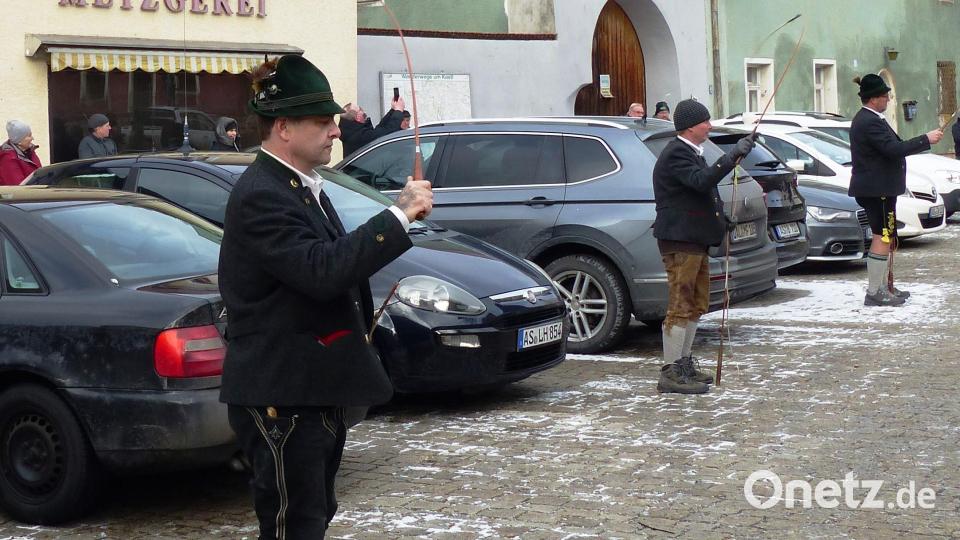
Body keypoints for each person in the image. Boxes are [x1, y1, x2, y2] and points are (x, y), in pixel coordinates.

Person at [218, 54, 433, 539]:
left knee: (313, 515)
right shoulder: (261, 193)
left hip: (311, 390)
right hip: (281, 394)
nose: (336, 131)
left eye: (334, 120)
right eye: (322, 121)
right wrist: (397, 217)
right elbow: (320, 271)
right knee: (294, 525)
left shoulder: (299, 186)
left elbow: (329, 262)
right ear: (284, 127)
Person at [652, 99, 754, 394]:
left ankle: (683, 364)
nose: (710, 126)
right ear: (689, 127)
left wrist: (721, 221)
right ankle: (670, 371)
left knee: (696, 304)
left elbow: (699, 195)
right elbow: (701, 182)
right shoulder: (676, 154)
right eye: (705, 122)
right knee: (680, 305)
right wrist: (732, 156)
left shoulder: (691, 152)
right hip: (680, 241)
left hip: (694, 239)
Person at [848, 74, 942, 307]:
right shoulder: (868, 121)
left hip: (883, 188)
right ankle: (874, 291)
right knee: (882, 236)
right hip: (875, 189)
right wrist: (925, 139)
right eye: (884, 96)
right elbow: (893, 149)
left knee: (888, 236)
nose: (889, 99)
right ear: (873, 99)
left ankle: (884, 285)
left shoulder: (874, 118)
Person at [338, 98, 405, 157]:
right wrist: (398, 111)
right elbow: (388, 131)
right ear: (358, 117)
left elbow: (379, 129)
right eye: (362, 112)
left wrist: (392, 110)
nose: (365, 113)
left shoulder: (351, 132)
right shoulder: (360, 136)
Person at [0, 120, 41, 186]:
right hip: (21, 195)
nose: (32, 138)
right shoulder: (8, 158)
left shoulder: (29, 151)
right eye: (29, 136)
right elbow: (17, 187)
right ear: (19, 140)